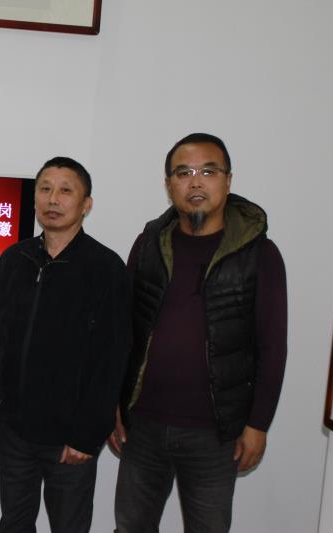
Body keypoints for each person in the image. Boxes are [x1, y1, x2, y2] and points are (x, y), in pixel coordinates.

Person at [111, 133, 287, 533]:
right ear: (169, 184)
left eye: (208, 172)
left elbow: (273, 347)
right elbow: (122, 332)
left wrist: (258, 424)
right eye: (183, 173)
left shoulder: (259, 254)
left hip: (216, 433)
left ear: (228, 180)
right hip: (143, 425)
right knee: (130, 527)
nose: (195, 182)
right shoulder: (148, 245)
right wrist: (112, 404)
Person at [0, 156, 131, 533]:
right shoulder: (14, 259)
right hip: (15, 430)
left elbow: (113, 360)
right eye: (45, 189)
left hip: (70, 437)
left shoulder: (106, 268)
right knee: (14, 524)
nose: (53, 199)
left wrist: (87, 436)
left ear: (86, 204)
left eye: (65, 191)